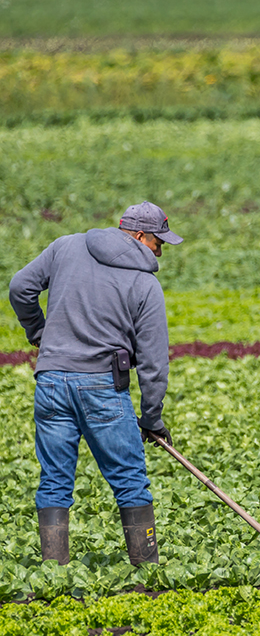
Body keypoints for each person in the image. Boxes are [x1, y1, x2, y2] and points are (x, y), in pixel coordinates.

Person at [8, 201, 181, 566]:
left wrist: (38, 332)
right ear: (138, 235)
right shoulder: (146, 285)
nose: (161, 250)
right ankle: (148, 571)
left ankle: (53, 571)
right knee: (130, 479)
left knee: (54, 480)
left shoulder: (65, 246)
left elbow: (20, 287)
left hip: (51, 382)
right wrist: (152, 419)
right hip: (102, 387)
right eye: (158, 241)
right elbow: (153, 363)